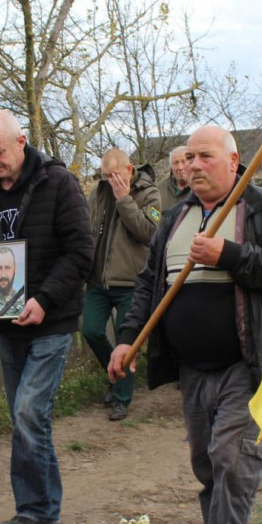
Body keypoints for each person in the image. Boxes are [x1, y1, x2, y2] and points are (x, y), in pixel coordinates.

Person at [109, 125, 262, 524]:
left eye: (206, 156)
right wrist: (128, 339)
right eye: (189, 157)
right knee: (207, 464)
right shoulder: (175, 218)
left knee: (232, 459)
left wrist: (230, 254)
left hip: (247, 361)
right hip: (193, 369)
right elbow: (146, 287)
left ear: (234, 160)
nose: (194, 165)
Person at [0, 110, 93, 524]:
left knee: (29, 412)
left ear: (21, 141)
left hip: (51, 320)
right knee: (23, 419)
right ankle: (35, 511)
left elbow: (81, 252)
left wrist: (44, 299)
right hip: (9, 325)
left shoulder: (60, 184)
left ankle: (39, 511)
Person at [83, 148, 161, 421]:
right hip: (98, 280)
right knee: (91, 330)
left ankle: (121, 399)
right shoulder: (98, 191)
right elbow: (87, 225)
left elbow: (149, 232)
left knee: (127, 341)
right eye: (105, 176)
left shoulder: (149, 193)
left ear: (129, 170)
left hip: (131, 281)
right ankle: (116, 376)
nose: (109, 181)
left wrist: (123, 199)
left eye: (114, 175)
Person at [157, 145, 191, 211]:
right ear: (171, 166)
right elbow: (153, 215)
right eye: (176, 163)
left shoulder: (200, 190)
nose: (180, 167)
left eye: (184, 162)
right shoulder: (159, 190)